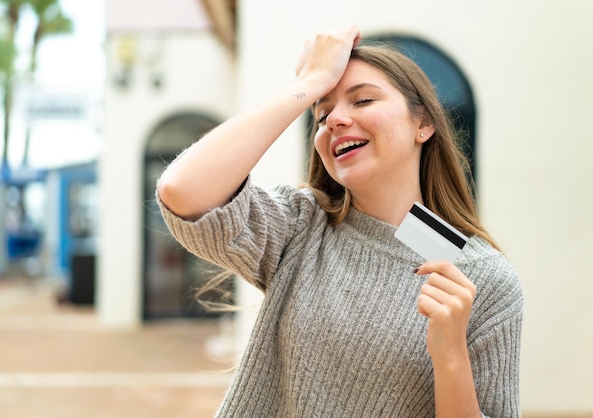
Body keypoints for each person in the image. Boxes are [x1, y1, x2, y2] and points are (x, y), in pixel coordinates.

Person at [156, 25, 523, 418]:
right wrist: (311, 82)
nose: (334, 121)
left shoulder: (486, 281)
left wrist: (451, 356)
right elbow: (183, 190)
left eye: (362, 100)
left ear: (423, 124)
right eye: (322, 112)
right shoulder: (300, 225)